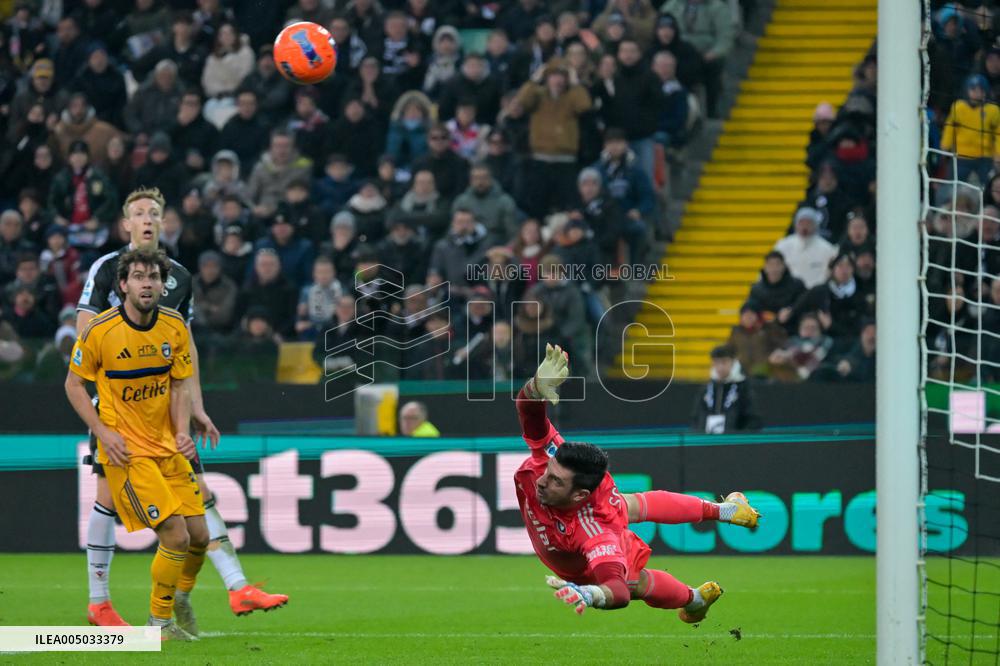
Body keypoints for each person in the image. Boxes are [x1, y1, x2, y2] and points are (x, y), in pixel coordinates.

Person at [76, 188, 287, 627]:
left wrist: (197, 407)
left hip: (165, 409)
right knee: (109, 499)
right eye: (139, 213)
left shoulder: (180, 277)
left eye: (155, 212)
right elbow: (87, 332)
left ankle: (227, 588)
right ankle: (105, 602)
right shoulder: (107, 269)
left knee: (195, 496)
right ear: (126, 225)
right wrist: (102, 402)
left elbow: (183, 348)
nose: (148, 219)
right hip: (119, 408)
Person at [515, 343, 759, 619]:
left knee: (635, 583)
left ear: (579, 495)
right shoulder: (550, 458)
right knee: (630, 505)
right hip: (595, 496)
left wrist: (591, 593)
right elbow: (529, 411)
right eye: (549, 471)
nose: (542, 482)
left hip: (589, 530)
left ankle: (693, 599)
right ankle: (722, 513)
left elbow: (617, 593)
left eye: (556, 481)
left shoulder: (594, 531)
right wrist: (535, 388)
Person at [64, 248, 206, 640]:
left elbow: (179, 383)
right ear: (123, 285)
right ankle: (158, 624)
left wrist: (182, 431)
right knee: (175, 534)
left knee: (200, 536)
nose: (147, 283)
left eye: (154, 278)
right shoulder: (101, 331)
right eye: (139, 277)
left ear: (163, 285)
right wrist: (103, 433)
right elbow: (73, 385)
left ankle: (177, 604)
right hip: (127, 451)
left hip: (166, 446)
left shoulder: (174, 326)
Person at [691, 344, 761, 432]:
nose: (720, 367)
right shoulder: (706, 389)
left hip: (733, 442)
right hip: (707, 442)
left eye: (724, 362)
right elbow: (696, 417)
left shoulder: (743, 388)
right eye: (716, 362)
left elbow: (753, 418)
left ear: (733, 362)